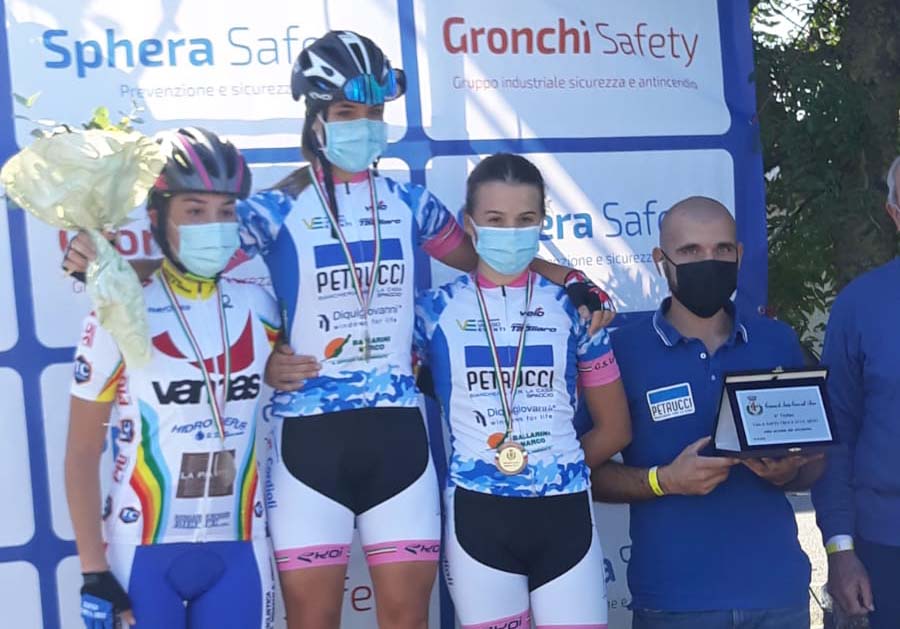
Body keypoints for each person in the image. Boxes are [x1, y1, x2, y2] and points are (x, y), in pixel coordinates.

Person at [64, 30, 611, 629]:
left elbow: (494, 258)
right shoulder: (276, 208)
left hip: (399, 441)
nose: (364, 127)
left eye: (375, 114)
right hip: (308, 442)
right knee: (313, 619)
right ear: (316, 117)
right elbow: (193, 263)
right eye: (348, 112)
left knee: (406, 618)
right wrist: (110, 268)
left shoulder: (411, 203)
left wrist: (572, 278)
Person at [65, 128, 279, 628]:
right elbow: (81, 452)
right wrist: (93, 571)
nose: (214, 226)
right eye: (195, 211)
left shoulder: (262, 307)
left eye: (226, 212)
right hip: (141, 548)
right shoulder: (121, 311)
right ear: (158, 217)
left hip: (239, 543)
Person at [414, 153, 631, 628]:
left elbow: (615, 429)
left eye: (525, 219)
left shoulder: (577, 310)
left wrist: (556, 465)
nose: (510, 232)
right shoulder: (432, 313)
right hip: (478, 517)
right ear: (470, 225)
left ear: (541, 223)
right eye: (495, 220)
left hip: (565, 515)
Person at [590, 196, 824, 629]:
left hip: (777, 594)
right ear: (661, 260)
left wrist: (788, 473)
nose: (708, 261)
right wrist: (663, 480)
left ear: (739, 254)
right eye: (690, 251)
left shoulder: (777, 342)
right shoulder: (620, 352)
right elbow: (583, 473)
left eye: (722, 249)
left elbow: (816, 461)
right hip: (674, 601)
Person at [811, 156, 900, 629]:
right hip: (884, 548)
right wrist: (840, 551)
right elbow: (835, 435)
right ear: (894, 214)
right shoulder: (860, 306)